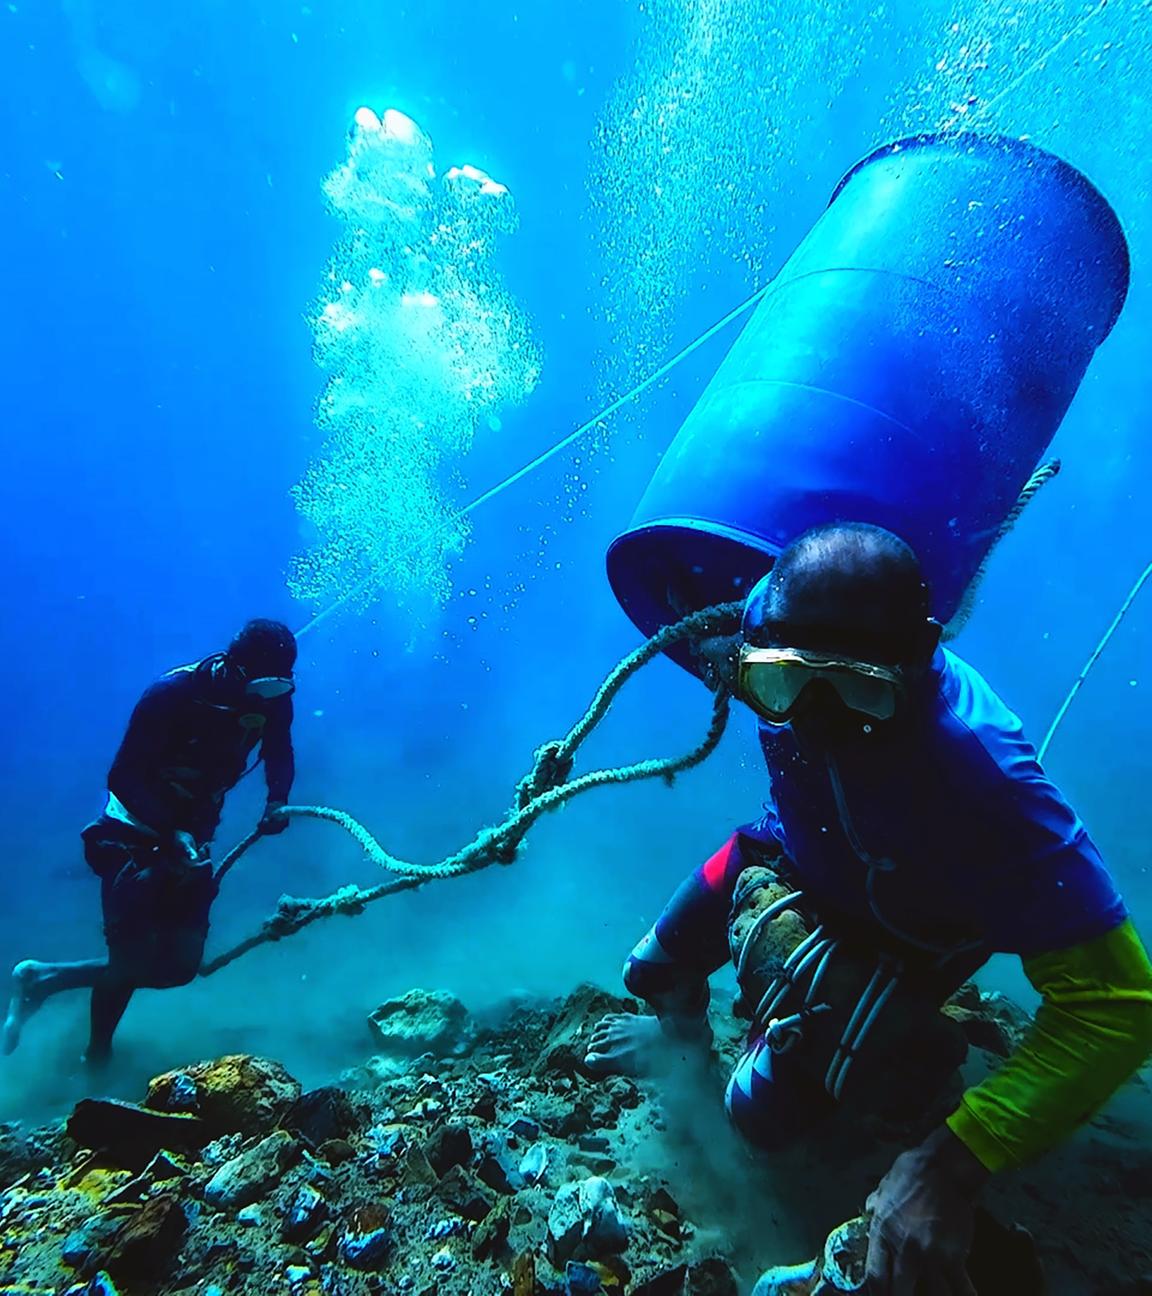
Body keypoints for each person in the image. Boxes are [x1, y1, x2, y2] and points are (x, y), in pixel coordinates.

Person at [586, 522, 1152, 1295]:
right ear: (755, 647)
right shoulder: (764, 621)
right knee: (649, 971)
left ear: (918, 654)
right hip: (780, 853)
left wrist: (952, 1163)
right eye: (784, 684)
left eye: (854, 689)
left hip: (906, 938)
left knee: (760, 1119)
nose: (815, 720)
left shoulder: (984, 780)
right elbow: (727, 610)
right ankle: (691, 1051)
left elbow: (1116, 1003)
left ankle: (895, 1063)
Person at [2, 618, 298, 1068]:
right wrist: (167, 832)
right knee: (130, 957)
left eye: (280, 688)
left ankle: (42, 979)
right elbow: (123, 776)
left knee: (178, 968)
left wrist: (277, 801)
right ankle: (96, 1056)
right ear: (236, 669)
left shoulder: (272, 701)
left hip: (192, 838)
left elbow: (279, 751)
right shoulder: (171, 695)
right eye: (265, 686)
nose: (269, 699)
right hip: (131, 833)